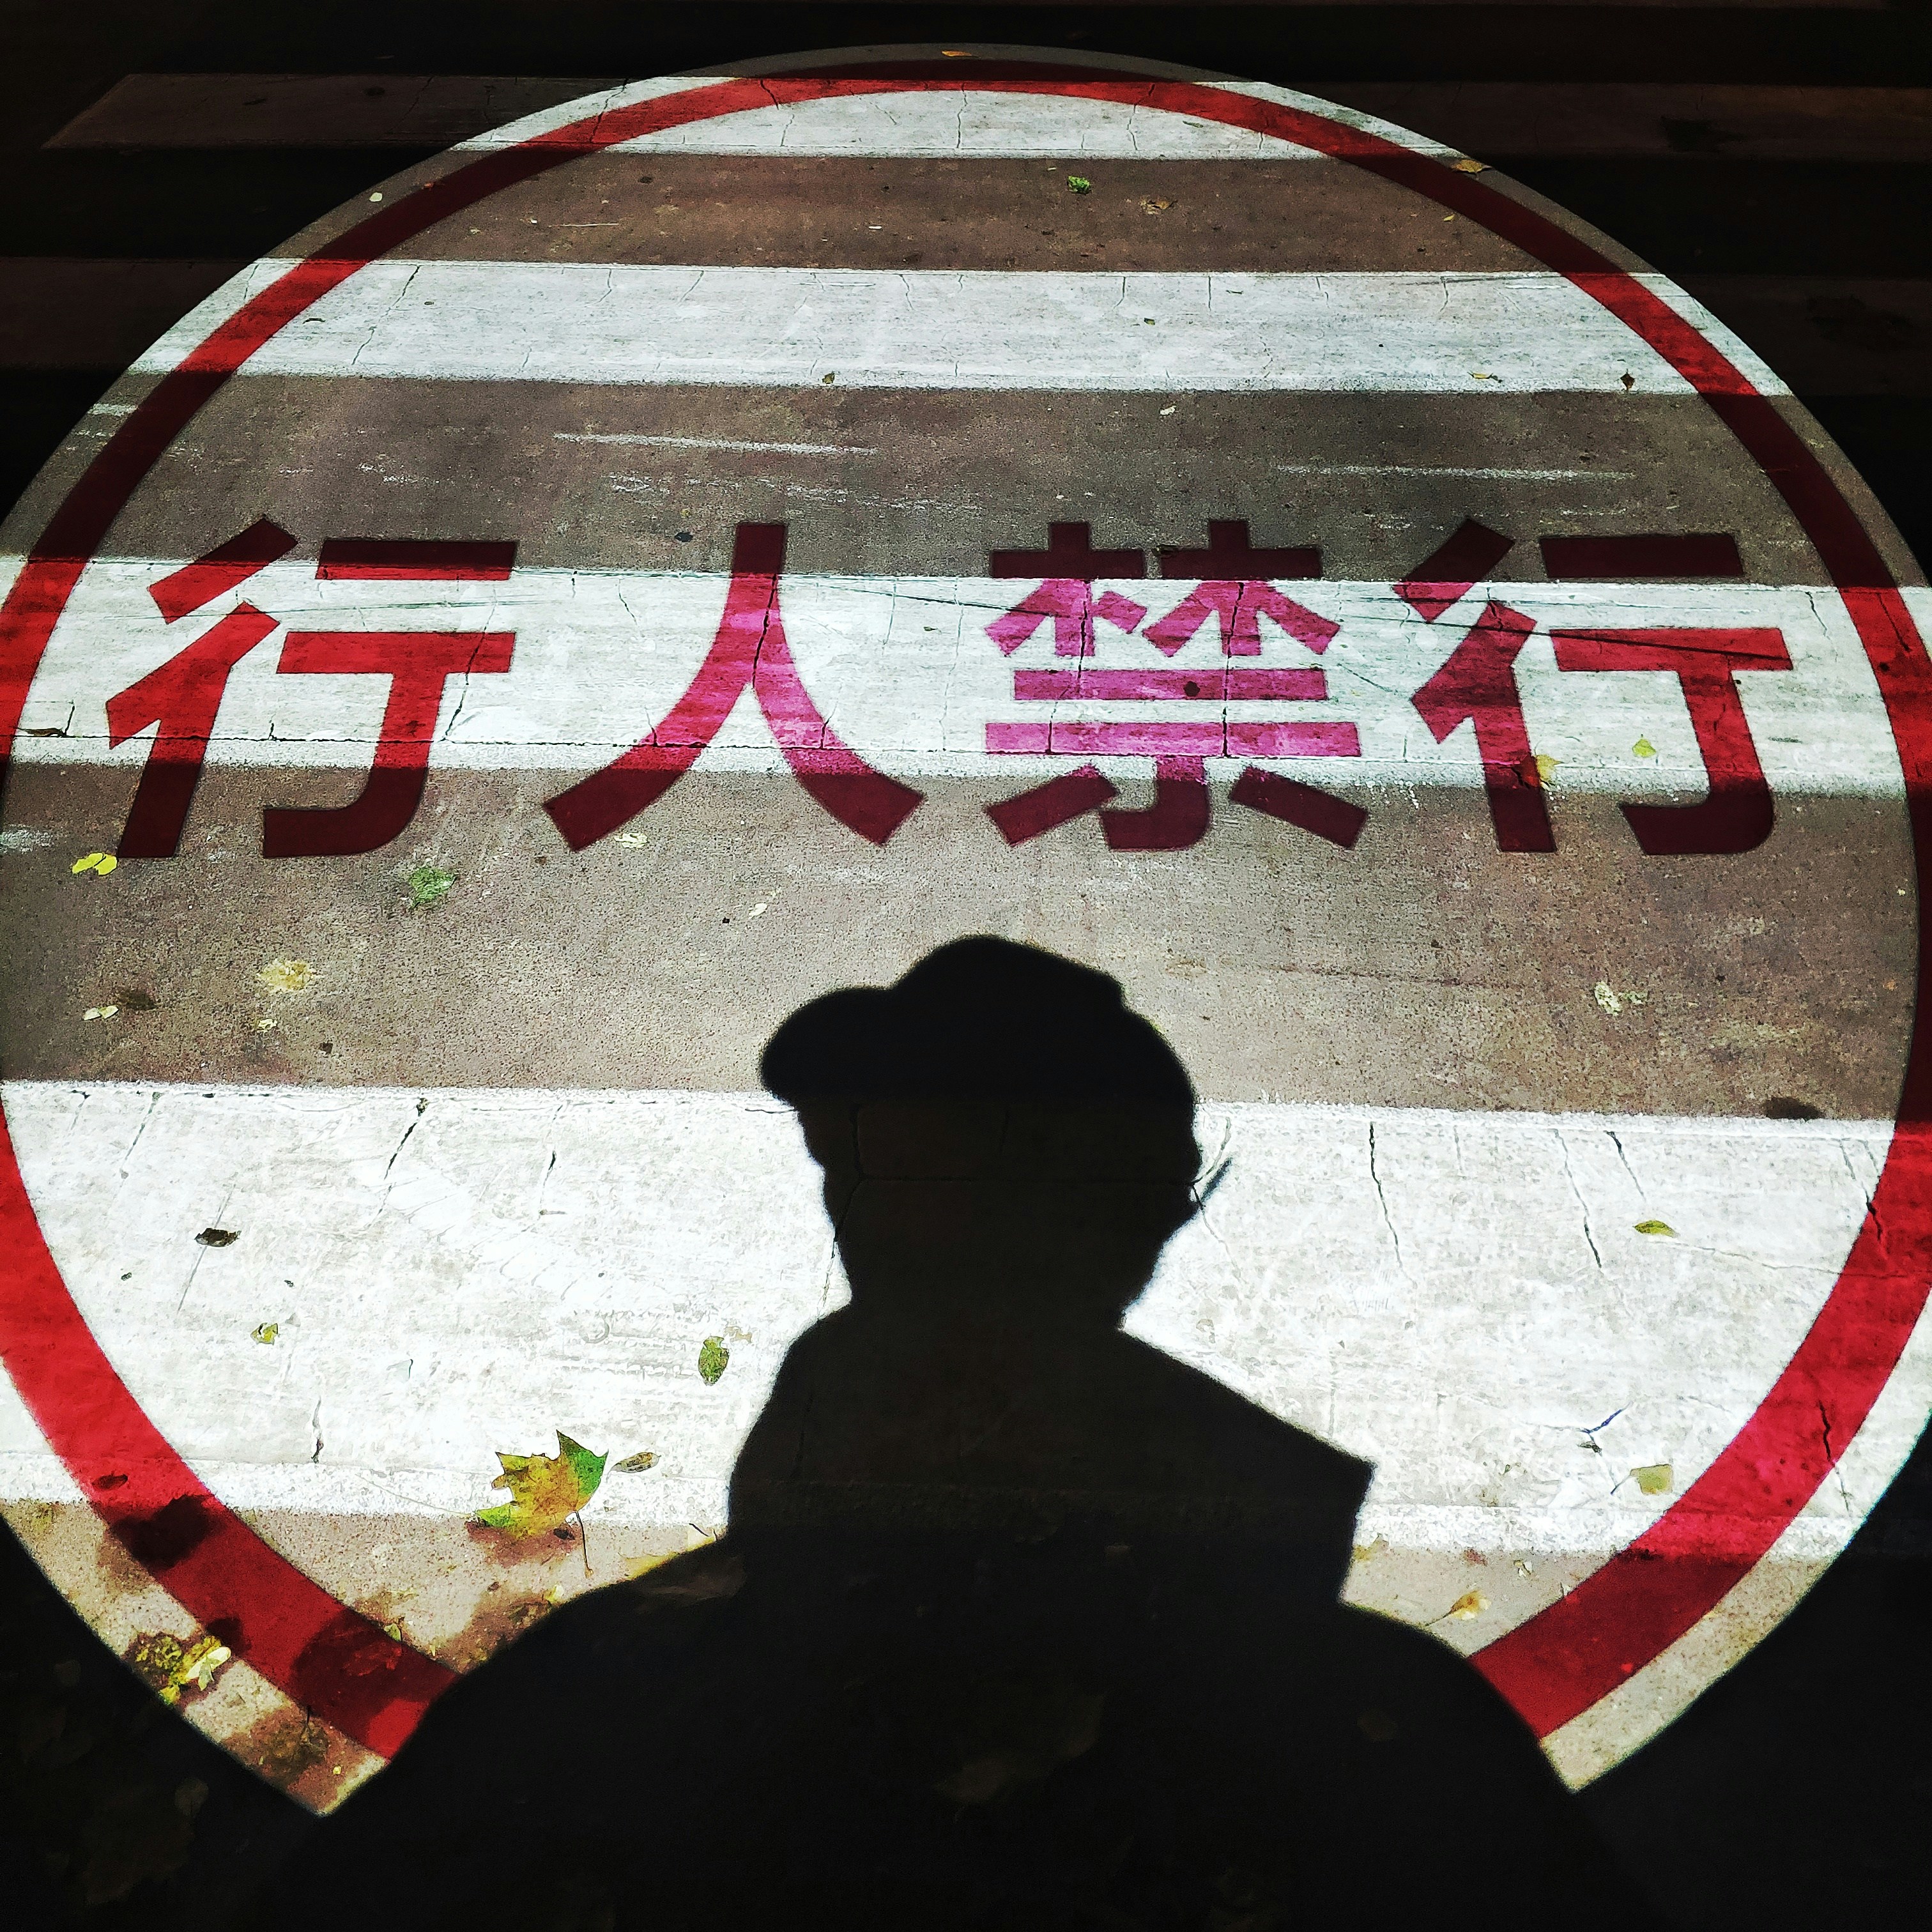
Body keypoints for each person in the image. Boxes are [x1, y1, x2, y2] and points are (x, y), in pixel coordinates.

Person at [240, 939, 1652, 1931]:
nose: (852, 1187)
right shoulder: (1381, 1723)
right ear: (1160, 1212)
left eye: (888, 1155)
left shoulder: (612, 1694)